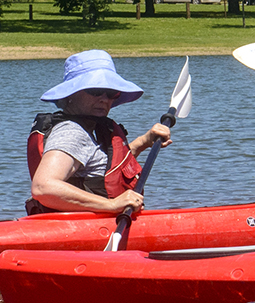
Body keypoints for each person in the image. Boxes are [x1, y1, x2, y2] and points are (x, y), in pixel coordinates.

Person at [27, 50, 172, 216]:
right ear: (71, 94)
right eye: (95, 91)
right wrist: (111, 205)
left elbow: (102, 168)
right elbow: (43, 187)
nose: (104, 99)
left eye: (111, 93)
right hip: (83, 232)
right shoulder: (71, 133)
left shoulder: (88, 128)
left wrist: (143, 142)